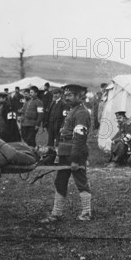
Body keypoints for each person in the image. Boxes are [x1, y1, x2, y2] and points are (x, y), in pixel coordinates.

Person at [42, 84, 91, 223]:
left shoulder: (81, 113)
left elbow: (80, 138)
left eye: (70, 95)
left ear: (78, 96)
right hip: (65, 152)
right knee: (60, 181)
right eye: (66, 95)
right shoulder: (72, 110)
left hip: (75, 152)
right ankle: (56, 213)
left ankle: (86, 212)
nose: (67, 98)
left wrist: (75, 159)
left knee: (81, 182)